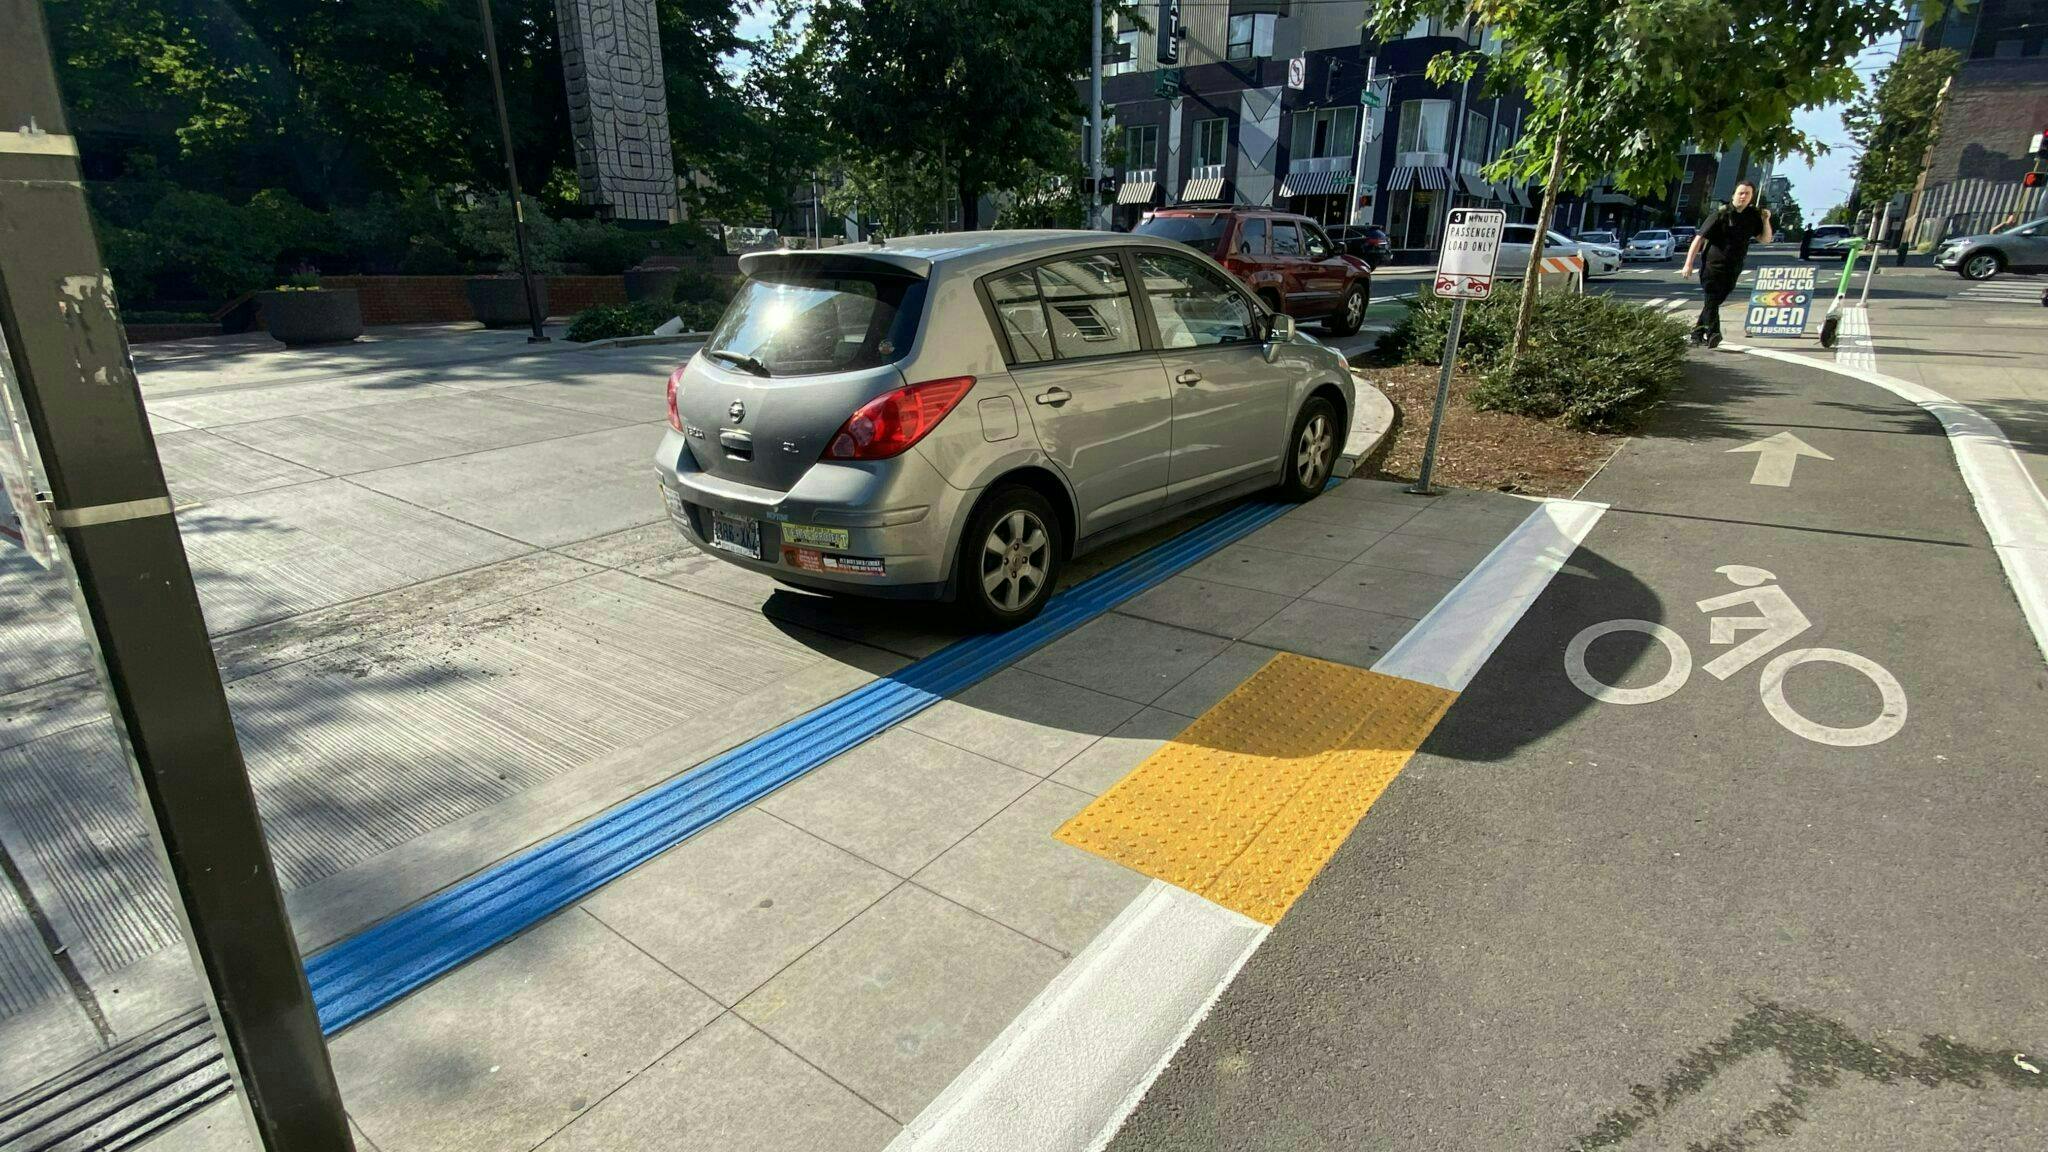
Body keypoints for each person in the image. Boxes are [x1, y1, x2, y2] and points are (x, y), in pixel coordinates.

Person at [1680, 180, 1772, 348]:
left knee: (1713, 302)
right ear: (1734, 195)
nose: (1743, 197)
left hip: (1734, 267)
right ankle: (1714, 333)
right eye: (1740, 193)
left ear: (1751, 197)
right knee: (1712, 298)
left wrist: (1766, 220)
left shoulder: (1752, 216)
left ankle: (1697, 333)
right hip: (1712, 265)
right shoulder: (1721, 214)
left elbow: (1765, 239)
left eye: (1747, 194)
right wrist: (1688, 263)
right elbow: (1699, 238)